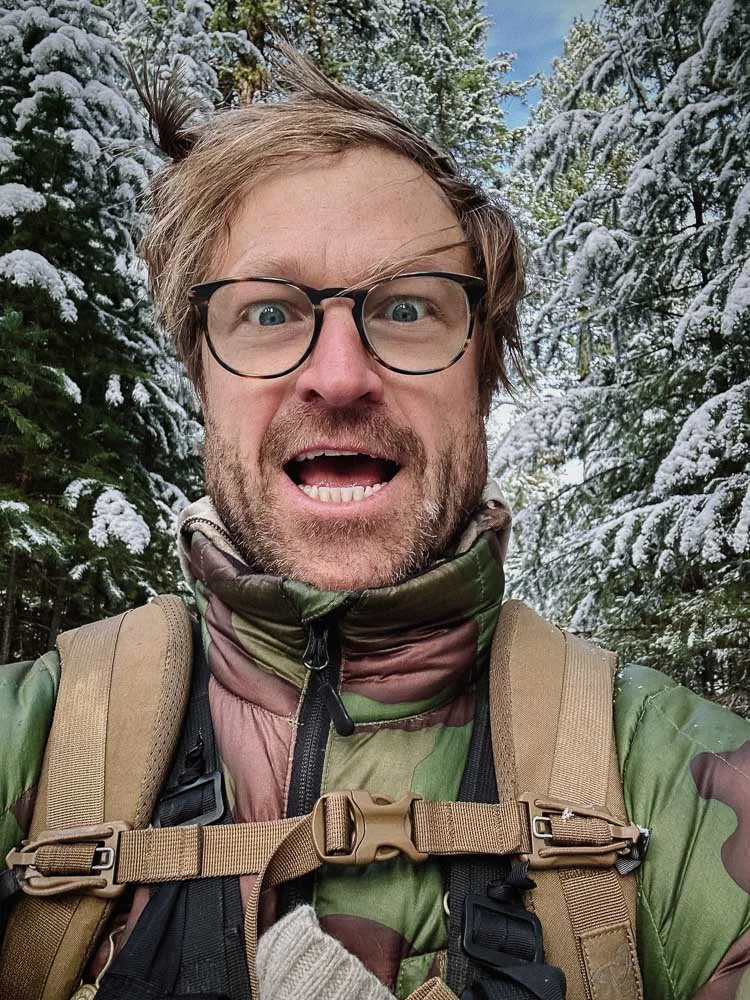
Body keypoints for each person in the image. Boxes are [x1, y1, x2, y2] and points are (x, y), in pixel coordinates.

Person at [1, 51, 749, 1000]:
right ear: (203, 378)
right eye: (269, 312)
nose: (341, 375)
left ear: (485, 375)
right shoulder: (30, 742)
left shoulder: (677, 782)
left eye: (406, 309)